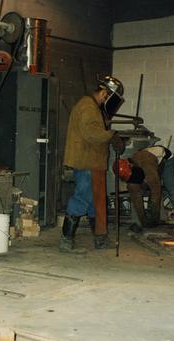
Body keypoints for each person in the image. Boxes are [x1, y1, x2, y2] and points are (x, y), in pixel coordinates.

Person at [60, 76, 124, 251]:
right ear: (104, 93)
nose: (106, 100)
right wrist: (112, 134)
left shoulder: (90, 106)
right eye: (107, 96)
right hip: (87, 162)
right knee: (82, 198)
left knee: (96, 202)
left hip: (92, 161)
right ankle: (66, 239)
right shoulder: (88, 107)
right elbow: (91, 133)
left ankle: (100, 239)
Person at [114, 144, 174, 232]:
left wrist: (154, 220)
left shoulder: (148, 170)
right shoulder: (130, 173)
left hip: (166, 161)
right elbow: (136, 198)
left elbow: (156, 193)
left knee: (172, 192)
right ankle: (148, 221)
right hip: (149, 161)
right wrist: (143, 222)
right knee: (135, 191)